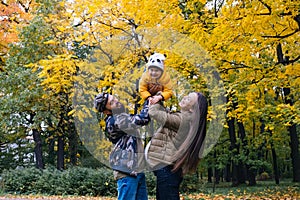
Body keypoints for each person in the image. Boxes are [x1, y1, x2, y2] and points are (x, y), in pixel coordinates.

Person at [145, 92, 208, 200]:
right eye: (187, 95)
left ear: (192, 109)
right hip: (166, 171)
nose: (184, 97)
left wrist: (156, 98)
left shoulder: (182, 120)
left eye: (188, 99)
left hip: (166, 170)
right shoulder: (182, 118)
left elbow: (154, 112)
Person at [94, 92, 150, 200]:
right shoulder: (115, 121)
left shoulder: (122, 117)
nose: (116, 101)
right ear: (106, 111)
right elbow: (143, 119)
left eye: (114, 98)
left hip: (137, 171)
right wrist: (148, 100)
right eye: (112, 103)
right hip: (126, 173)